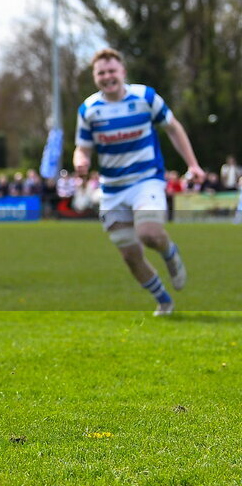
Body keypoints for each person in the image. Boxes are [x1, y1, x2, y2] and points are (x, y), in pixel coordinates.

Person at [73, 48, 204, 317]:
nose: (107, 76)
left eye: (112, 71)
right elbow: (82, 148)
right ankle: (164, 301)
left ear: (123, 72)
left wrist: (192, 164)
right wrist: (80, 161)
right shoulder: (89, 109)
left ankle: (170, 253)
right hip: (111, 189)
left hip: (146, 180)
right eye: (101, 73)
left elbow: (173, 127)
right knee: (130, 256)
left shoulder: (145, 97)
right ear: (95, 77)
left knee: (149, 234)